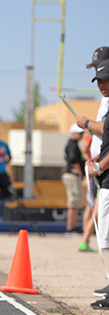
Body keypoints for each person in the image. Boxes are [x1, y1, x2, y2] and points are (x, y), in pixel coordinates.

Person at [76, 46, 109, 252]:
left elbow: (105, 129)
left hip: (104, 169)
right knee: (96, 207)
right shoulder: (105, 99)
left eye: (104, 76)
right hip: (101, 166)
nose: (99, 81)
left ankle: (86, 236)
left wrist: (86, 122)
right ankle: (86, 236)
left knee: (99, 209)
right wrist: (96, 158)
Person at [85, 59, 109, 309]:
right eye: (98, 79)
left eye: (105, 79)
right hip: (104, 177)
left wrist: (97, 167)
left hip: (106, 178)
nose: (101, 84)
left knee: (106, 240)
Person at [62, 123, 85, 234]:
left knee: (76, 203)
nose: (82, 136)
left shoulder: (73, 144)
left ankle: (74, 226)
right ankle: (70, 227)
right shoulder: (72, 144)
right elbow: (73, 159)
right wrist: (79, 171)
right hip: (72, 175)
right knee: (73, 202)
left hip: (72, 176)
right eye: (80, 133)